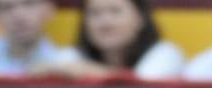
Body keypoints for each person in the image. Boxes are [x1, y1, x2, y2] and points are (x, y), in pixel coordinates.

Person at [32, 0, 183, 81]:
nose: (105, 23)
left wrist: (83, 71)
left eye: (115, 11)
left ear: (141, 19)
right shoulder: (72, 55)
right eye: (95, 13)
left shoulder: (166, 53)